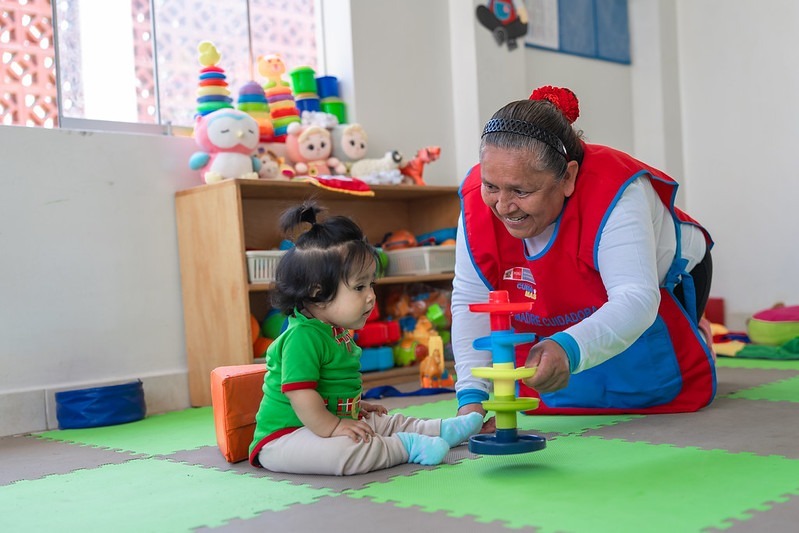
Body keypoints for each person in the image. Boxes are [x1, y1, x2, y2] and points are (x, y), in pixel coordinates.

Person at [453, 86, 715, 430]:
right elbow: (471, 300)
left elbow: (636, 298)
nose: (503, 206)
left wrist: (568, 349)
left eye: (521, 191)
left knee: (633, 368)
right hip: (571, 292)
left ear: (568, 177)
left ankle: (699, 334)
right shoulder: (477, 199)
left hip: (675, 275)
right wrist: (471, 397)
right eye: (492, 187)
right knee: (552, 374)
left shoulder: (615, 193)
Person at [249, 201, 483, 475]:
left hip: (324, 422)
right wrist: (335, 426)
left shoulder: (333, 330)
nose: (371, 295)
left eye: (371, 284)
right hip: (287, 437)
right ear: (316, 292)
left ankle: (440, 430)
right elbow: (301, 396)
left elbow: (331, 387)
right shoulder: (301, 336)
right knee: (344, 452)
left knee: (380, 421)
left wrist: (353, 406)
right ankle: (405, 447)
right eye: (359, 287)